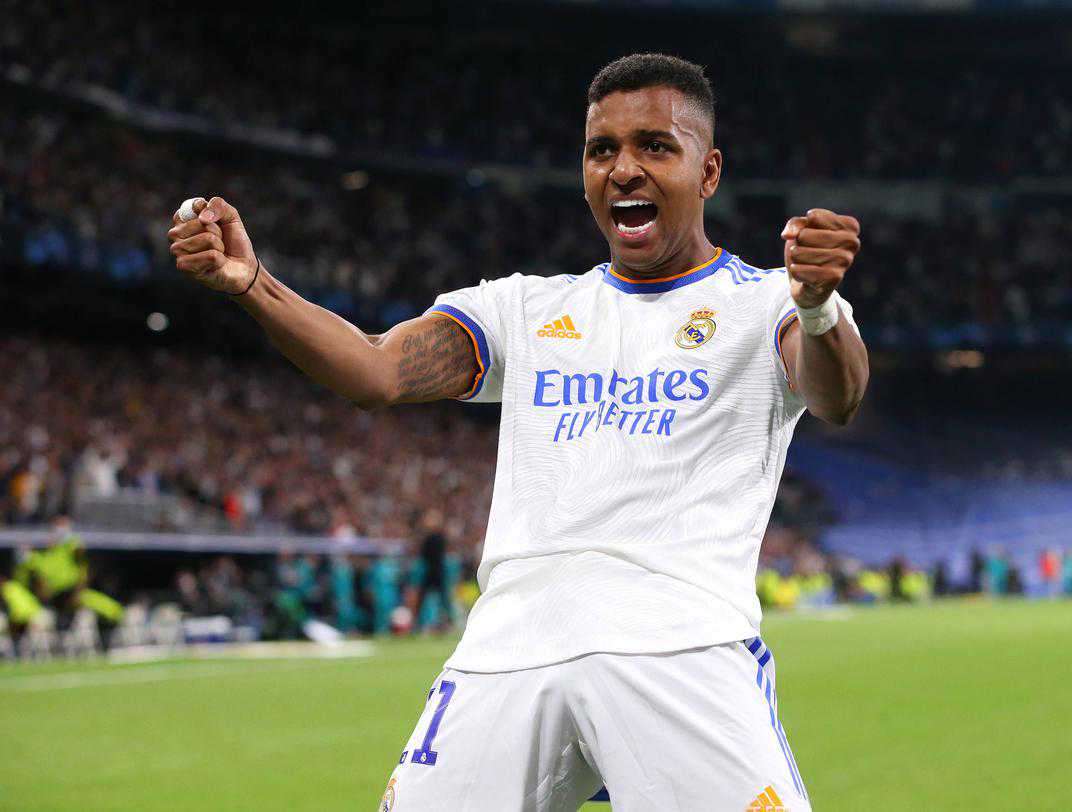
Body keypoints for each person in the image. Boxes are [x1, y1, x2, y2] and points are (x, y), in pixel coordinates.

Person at [166, 53, 867, 811]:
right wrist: (254, 284)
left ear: (709, 171)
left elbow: (836, 395)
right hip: (508, 652)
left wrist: (818, 307)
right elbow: (374, 370)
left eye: (655, 146)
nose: (623, 169)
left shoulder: (768, 302)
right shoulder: (524, 310)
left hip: (678, 646)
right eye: (602, 150)